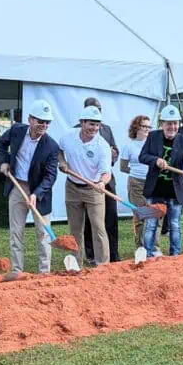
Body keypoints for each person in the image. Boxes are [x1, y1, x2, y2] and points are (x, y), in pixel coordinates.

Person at [0, 99, 60, 276]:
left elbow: (51, 176)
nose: (44, 125)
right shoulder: (17, 131)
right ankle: (17, 271)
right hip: (17, 187)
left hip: (40, 192)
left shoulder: (52, 146)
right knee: (16, 231)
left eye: (47, 122)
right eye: (40, 121)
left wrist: (37, 194)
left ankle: (44, 273)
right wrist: (4, 162)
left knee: (43, 234)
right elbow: (2, 143)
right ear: (30, 119)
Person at [139, 105, 183, 257]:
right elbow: (142, 156)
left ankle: (175, 256)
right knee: (151, 225)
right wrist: (156, 160)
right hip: (155, 189)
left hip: (174, 191)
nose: (172, 127)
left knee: (175, 225)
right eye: (169, 123)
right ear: (162, 124)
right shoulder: (153, 137)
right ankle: (148, 254)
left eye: (175, 123)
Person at [60, 105, 114, 266]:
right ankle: (75, 265)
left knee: (98, 228)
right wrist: (62, 162)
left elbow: (107, 173)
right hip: (72, 187)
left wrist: (102, 182)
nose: (94, 128)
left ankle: (103, 266)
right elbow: (59, 150)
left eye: (97, 124)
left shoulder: (102, 146)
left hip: (93, 189)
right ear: (82, 122)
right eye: (91, 123)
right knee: (75, 229)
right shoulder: (68, 136)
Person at [79, 97, 121, 264]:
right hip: (88, 182)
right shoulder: (76, 131)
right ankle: (91, 254)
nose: (96, 112)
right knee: (91, 219)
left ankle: (113, 253)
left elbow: (115, 150)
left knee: (111, 215)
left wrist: (113, 154)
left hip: (107, 180)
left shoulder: (106, 129)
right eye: (92, 109)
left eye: (98, 109)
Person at [120, 114, 152, 250]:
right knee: (140, 216)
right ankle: (140, 247)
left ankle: (152, 247)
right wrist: (136, 173)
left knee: (153, 215)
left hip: (152, 183)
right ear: (136, 127)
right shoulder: (129, 146)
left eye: (149, 127)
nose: (147, 129)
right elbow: (123, 167)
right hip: (136, 183)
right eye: (144, 126)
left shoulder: (153, 144)